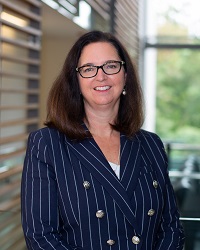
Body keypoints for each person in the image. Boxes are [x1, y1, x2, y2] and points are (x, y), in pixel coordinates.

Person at [21, 30, 185, 250]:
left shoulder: (151, 144)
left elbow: (171, 228)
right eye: (89, 69)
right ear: (76, 80)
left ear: (125, 75)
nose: (101, 76)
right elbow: (41, 237)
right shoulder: (47, 144)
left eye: (111, 66)